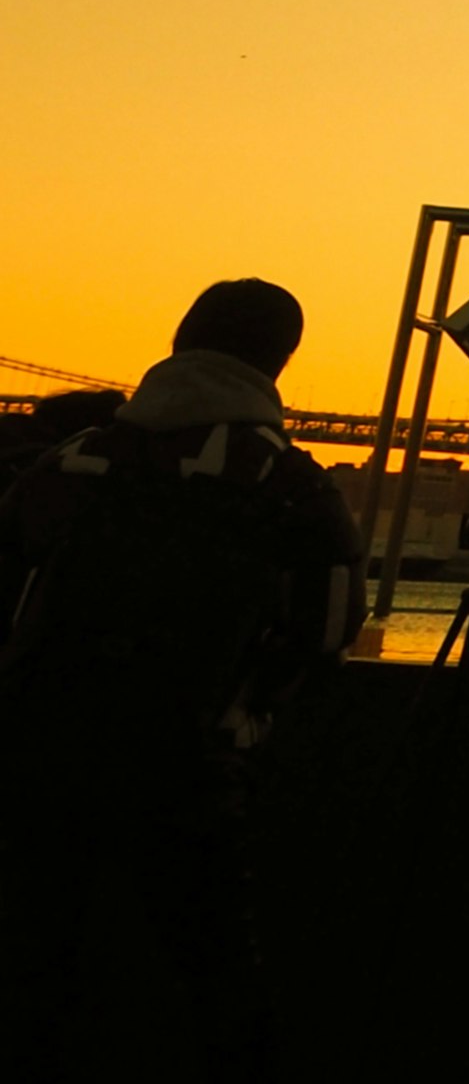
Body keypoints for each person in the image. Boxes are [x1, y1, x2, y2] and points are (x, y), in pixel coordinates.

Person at [0, 279, 359, 1081]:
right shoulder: (290, 483)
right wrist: (252, 709)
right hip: (188, 768)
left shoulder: (75, 460)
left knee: (29, 966)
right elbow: (330, 627)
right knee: (218, 976)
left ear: (177, 339)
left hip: (35, 754)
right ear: (281, 359)